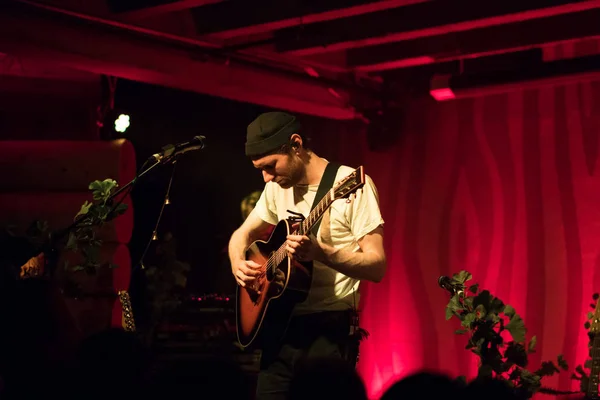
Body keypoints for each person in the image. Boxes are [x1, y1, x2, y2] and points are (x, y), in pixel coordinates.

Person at [228, 111, 386, 400]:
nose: (266, 178)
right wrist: (238, 262)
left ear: (295, 144)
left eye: (271, 166)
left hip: (328, 331)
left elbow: (377, 266)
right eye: (260, 170)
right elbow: (241, 235)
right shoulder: (276, 188)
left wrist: (322, 253)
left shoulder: (350, 185)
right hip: (280, 329)